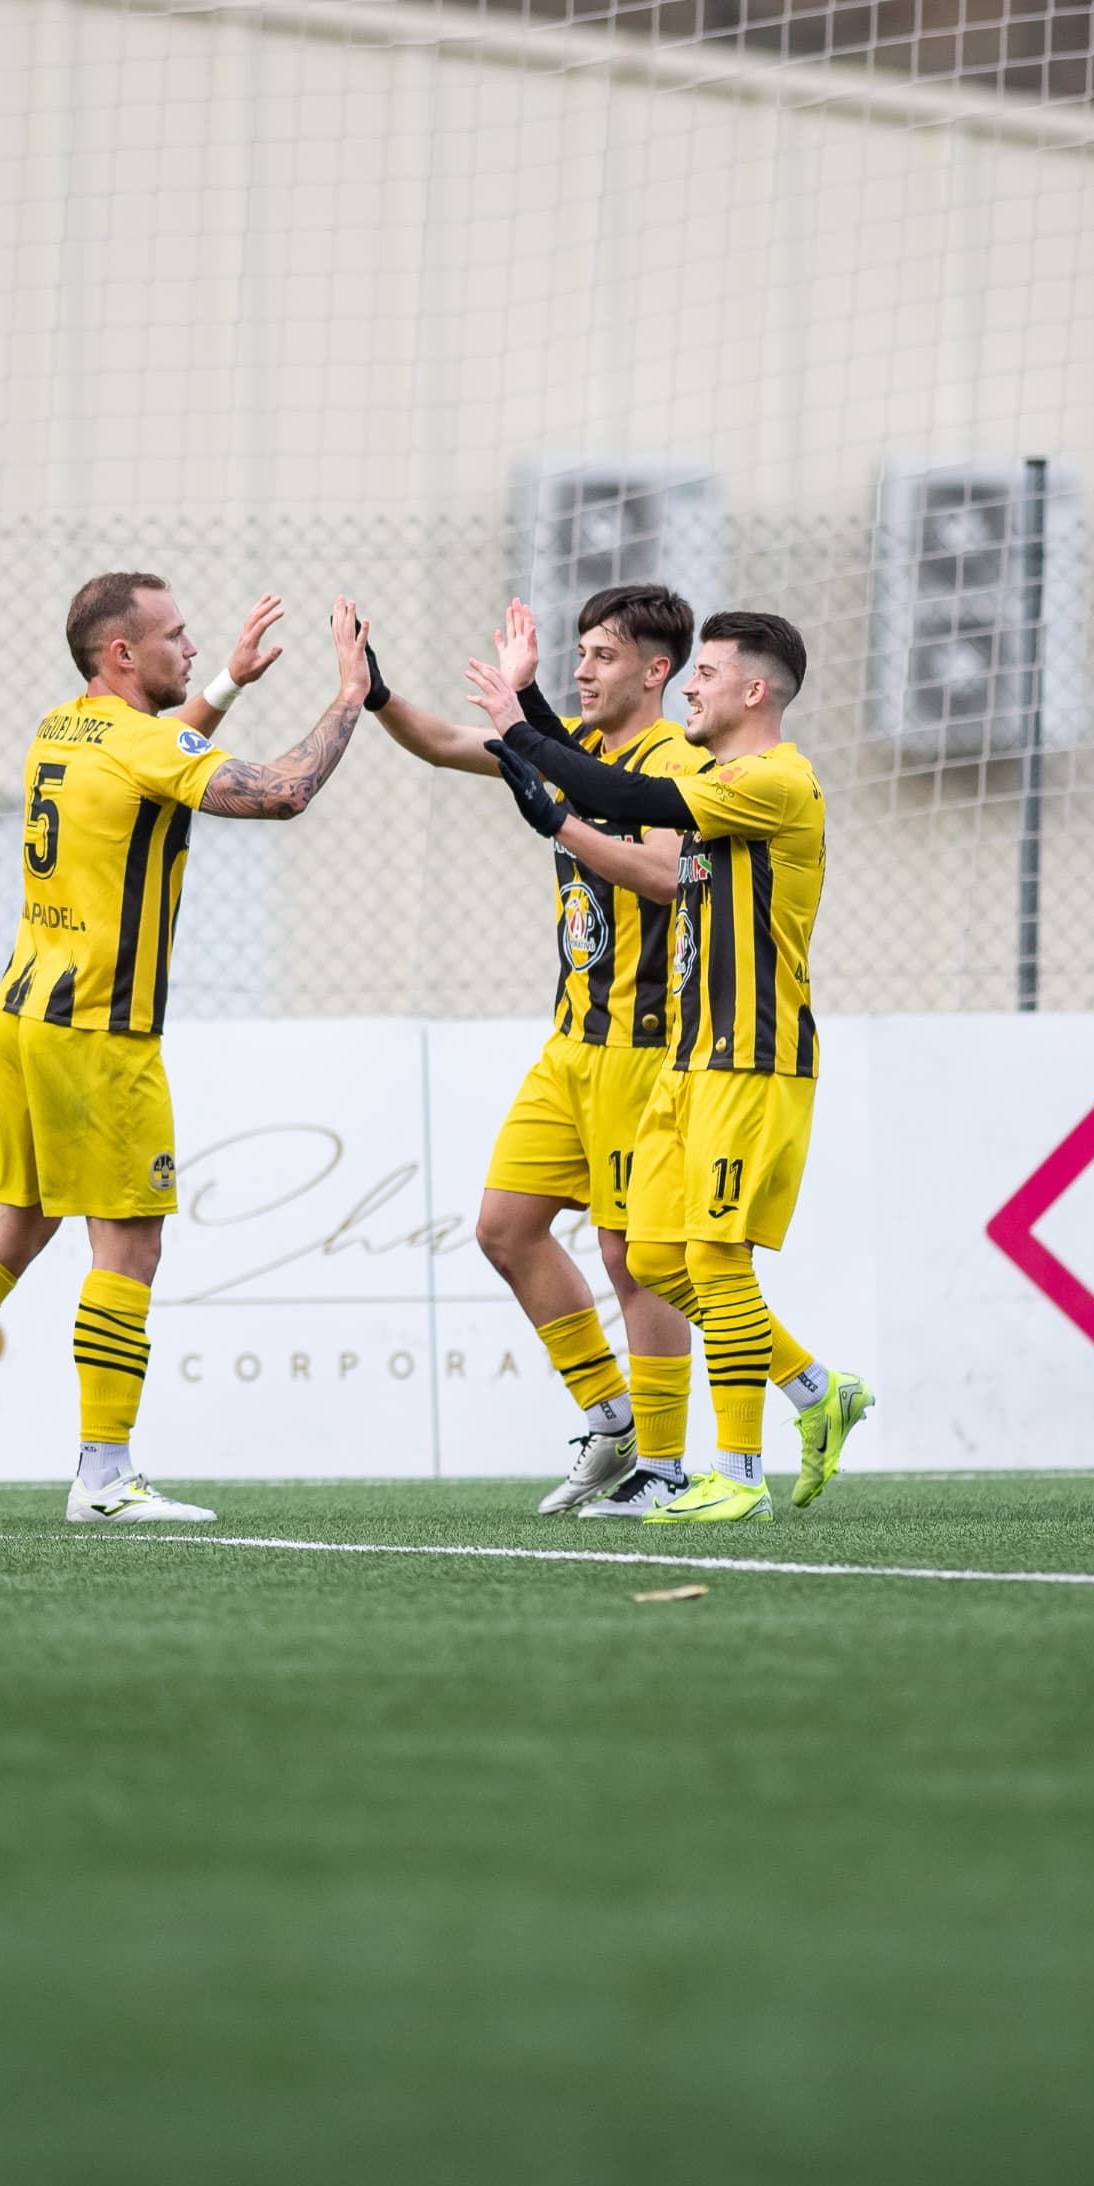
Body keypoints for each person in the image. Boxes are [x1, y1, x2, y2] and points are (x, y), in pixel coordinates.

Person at [0, 575, 368, 1525]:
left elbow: (161, 752)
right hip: (100, 1027)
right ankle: (103, 1476)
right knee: (129, 1244)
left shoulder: (61, 726)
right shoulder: (142, 743)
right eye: (175, 636)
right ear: (121, 655)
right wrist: (347, 697)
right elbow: (284, 793)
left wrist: (225, 680)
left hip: (25, 1014)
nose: (189, 646)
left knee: (15, 1224)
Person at [476, 611, 870, 1525]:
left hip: (751, 1056)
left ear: (754, 691)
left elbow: (630, 800)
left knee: (715, 1258)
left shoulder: (776, 780)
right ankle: (816, 1389)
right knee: (653, 1253)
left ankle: (735, 1471)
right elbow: (611, 779)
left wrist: (526, 739)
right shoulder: (719, 772)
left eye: (706, 673)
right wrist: (532, 711)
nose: (690, 685)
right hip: (687, 1059)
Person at [367, 586, 709, 1517]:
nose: (583, 669)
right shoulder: (577, 755)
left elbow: (671, 877)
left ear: (655, 670)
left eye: (602, 655)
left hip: (646, 1052)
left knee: (633, 1256)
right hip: (570, 1048)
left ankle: (665, 1470)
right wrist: (374, 692)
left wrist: (560, 817)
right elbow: (444, 741)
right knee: (506, 1228)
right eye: (581, 653)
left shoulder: (675, 760)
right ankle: (610, 1420)